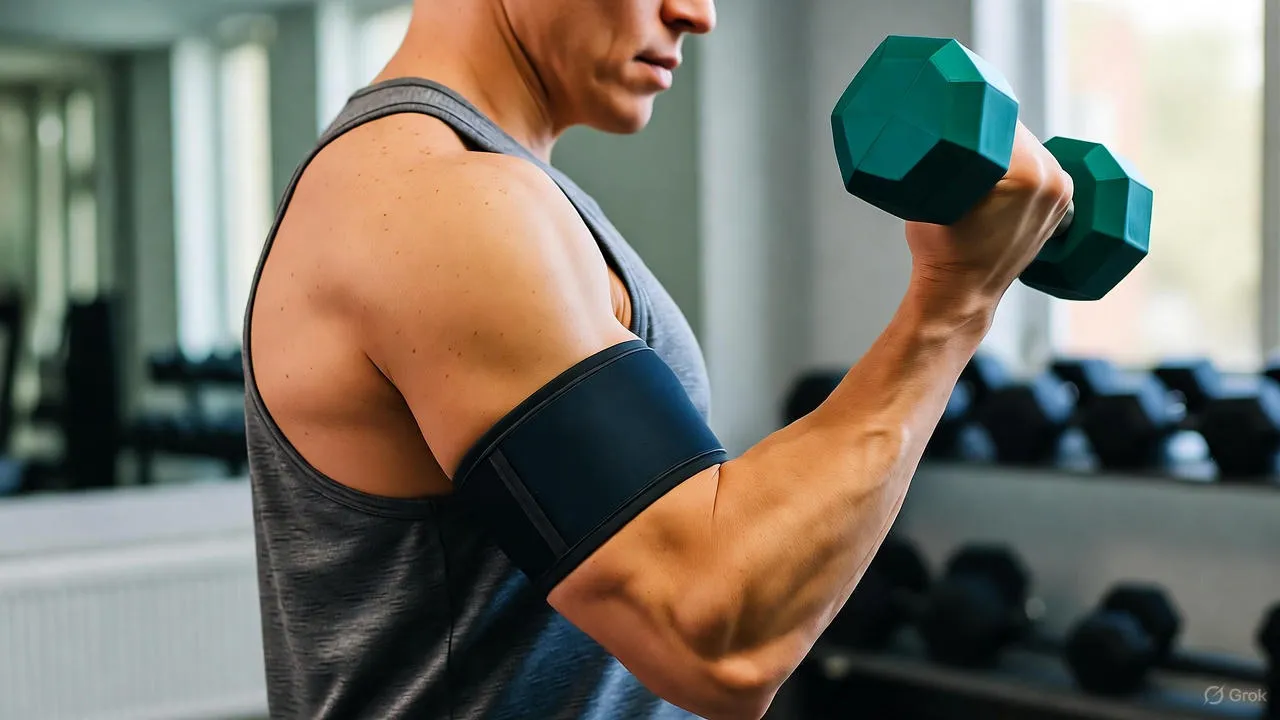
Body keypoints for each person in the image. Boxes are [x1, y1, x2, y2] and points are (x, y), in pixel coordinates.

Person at [241, 0, 1073, 717]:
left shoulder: (493, 189)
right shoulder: (435, 200)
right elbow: (716, 630)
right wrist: (954, 302)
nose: (698, 13)